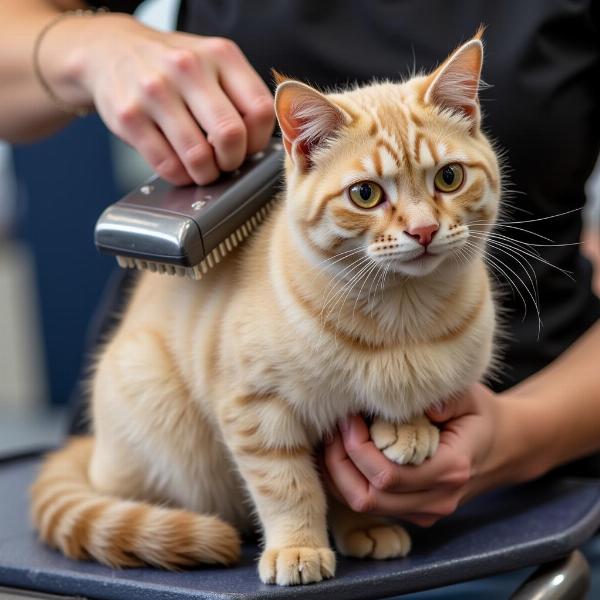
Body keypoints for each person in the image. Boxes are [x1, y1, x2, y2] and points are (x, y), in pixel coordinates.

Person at [1, 0, 600, 587]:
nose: (421, 224)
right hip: (168, 456)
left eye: (448, 178)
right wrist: (89, 48)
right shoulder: (295, 291)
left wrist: (519, 435)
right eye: (369, 194)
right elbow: (250, 397)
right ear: (304, 152)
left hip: (522, 499)